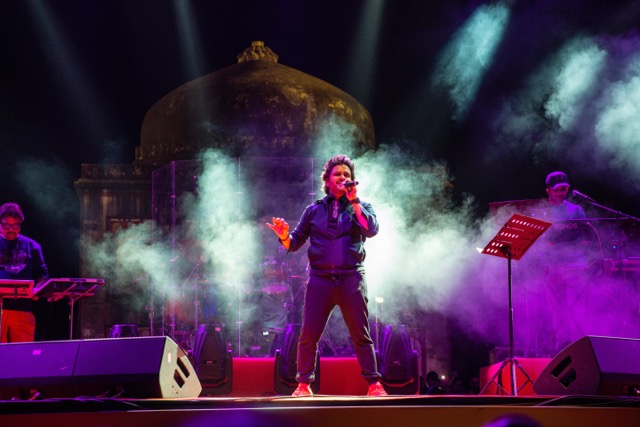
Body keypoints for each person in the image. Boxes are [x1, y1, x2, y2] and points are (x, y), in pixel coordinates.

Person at [266, 154, 387, 397]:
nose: (343, 178)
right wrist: (283, 235)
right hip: (320, 279)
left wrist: (355, 202)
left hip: (351, 278)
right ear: (327, 180)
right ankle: (303, 385)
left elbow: (371, 230)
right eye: (337, 174)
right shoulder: (313, 210)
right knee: (308, 335)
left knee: (361, 334)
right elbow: (294, 243)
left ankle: (374, 384)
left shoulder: (362, 206)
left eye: (347, 175)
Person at [0, 202, 49, 343]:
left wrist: (37, 290)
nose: (11, 229)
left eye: (15, 225)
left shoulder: (32, 246)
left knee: (22, 352)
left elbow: (43, 274)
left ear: (20, 224)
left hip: (23, 310)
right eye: (6, 225)